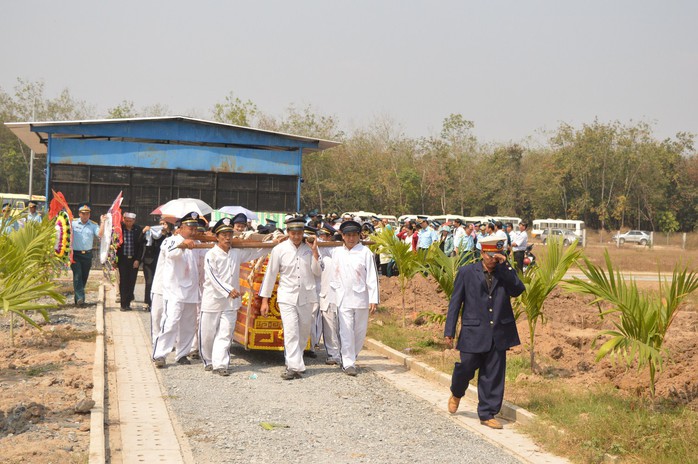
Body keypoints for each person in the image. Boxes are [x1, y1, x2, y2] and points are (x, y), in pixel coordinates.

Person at [444, 235, 525, 430]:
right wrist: (450, 330)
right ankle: (457, 392)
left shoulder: (504, 273)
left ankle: (487, 413)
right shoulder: (466, 273)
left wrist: (506, 266)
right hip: (473, 331)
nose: (493, 260)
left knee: (493, 374)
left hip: (499, 331)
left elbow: (518, 289)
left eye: (497, 256)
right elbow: (455, 303)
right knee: (466, 367)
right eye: (490, 256)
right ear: (482, 253)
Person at [199, 215, 275, 376]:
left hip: (231, 302)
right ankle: (208, 360)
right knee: (208, 332)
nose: (227, 238)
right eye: (224, 235)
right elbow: (213, 277)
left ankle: (220, 364)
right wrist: (228, 289)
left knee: (226, 332)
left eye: (229, 234)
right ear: (217, 236)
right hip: (213, 299)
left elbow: (255, 253)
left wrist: (272, 244)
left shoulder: (236, 253)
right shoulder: (211, 254)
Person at [259, 217, 321, 380]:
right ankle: (293, 366)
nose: (296, 237)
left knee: (303, 331)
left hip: (307, 296)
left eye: (299, 233)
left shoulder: (308, 249)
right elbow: (270, 275)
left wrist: (315, 252)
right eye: (293, 233)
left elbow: (318, 272)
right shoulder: (279, 250)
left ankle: (295, 361)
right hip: (287, 296)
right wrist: (264, 300)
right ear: (288, 233)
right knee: (291, 330)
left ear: (303, 233)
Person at [324, 220, 379, 376]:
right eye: (348, 235)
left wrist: (373, 298)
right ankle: (348, 363)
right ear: (342, 236)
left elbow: (372, 277)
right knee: (346, 330)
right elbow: (318, 248)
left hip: (361, 297)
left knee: (359, 332)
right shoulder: (336, 251)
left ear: (359, 236)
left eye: (354, 235)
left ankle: (351, 356)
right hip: (342, 297)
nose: (351, 238)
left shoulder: (365, 252)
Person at [152, 212, 206, 368]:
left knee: (188, 324)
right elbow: (171, 253)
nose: (193, 231)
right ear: (181, 227)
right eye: (190, 228)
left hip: (191, 291)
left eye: (195, 228)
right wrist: (183, 245)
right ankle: (160, 354)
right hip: (175, 290)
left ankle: (182, 353)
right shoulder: (171, 240)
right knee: (170, 322)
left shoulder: (197, 243)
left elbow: (207, 255)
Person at [312, 223, 342, 365]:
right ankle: (333, 354)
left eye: (325, 236)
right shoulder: (319, 252)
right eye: (321, 236)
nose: (322, 238)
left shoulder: (338, 250)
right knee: (329, 326)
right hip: (326, 294)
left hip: (341, 294)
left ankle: (345, 354)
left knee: (343, 326)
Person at [71, 202, 104, 306]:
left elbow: (100, 234)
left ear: (89, 214)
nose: (85, 216)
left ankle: (78, 299)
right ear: (79, 214)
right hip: (75, 254)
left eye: (87, 214)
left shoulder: (93, 225)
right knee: (77, 275)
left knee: (84, 277)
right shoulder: (73, 223)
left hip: (87, 255)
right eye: (83, 213)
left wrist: (102, 223)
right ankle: (81, 298)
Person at [141, 219, 171, 311]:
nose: (162, 225)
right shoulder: (151, 233)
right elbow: (140, 241)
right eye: (160, 224)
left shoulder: (166, 236)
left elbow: (170, 242)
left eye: (164, 224)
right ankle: (147, 302)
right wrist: (143, 232)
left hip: (160, 262)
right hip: (148, 261)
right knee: (149, 282)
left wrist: (167, 232)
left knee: (159, 282)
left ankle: (156, 303)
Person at [116, 212, 144, 311]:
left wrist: (138, 260)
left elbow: (141, 247)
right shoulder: (120, 229)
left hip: (133, 260)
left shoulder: (138, 230)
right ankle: (123, 304)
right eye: (126, 221)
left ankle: (128, 303)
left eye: (130, 221)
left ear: (134, 221)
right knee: (123, 281)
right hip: (122, 259)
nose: (128, 223)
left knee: (131, 281)